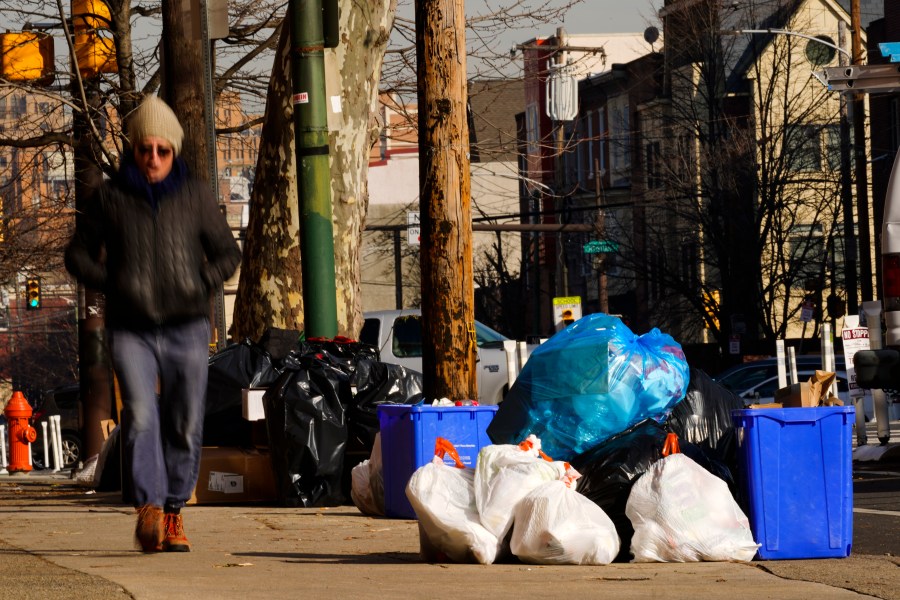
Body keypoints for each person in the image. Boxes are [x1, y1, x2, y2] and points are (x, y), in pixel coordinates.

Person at [65, 95, 242, 553]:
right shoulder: (110, 198)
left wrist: (200, 279)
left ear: (175, 151)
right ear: (134, 149)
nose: (154, 159)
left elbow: (228, 254)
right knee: (142, 416)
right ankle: (149, 508)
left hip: (187, 326)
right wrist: (111, 281)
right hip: (131, 328)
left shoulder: (196, 195)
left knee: (185, 421)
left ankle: (175, 511)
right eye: (146, 149)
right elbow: (77, 255)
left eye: (163, 151)